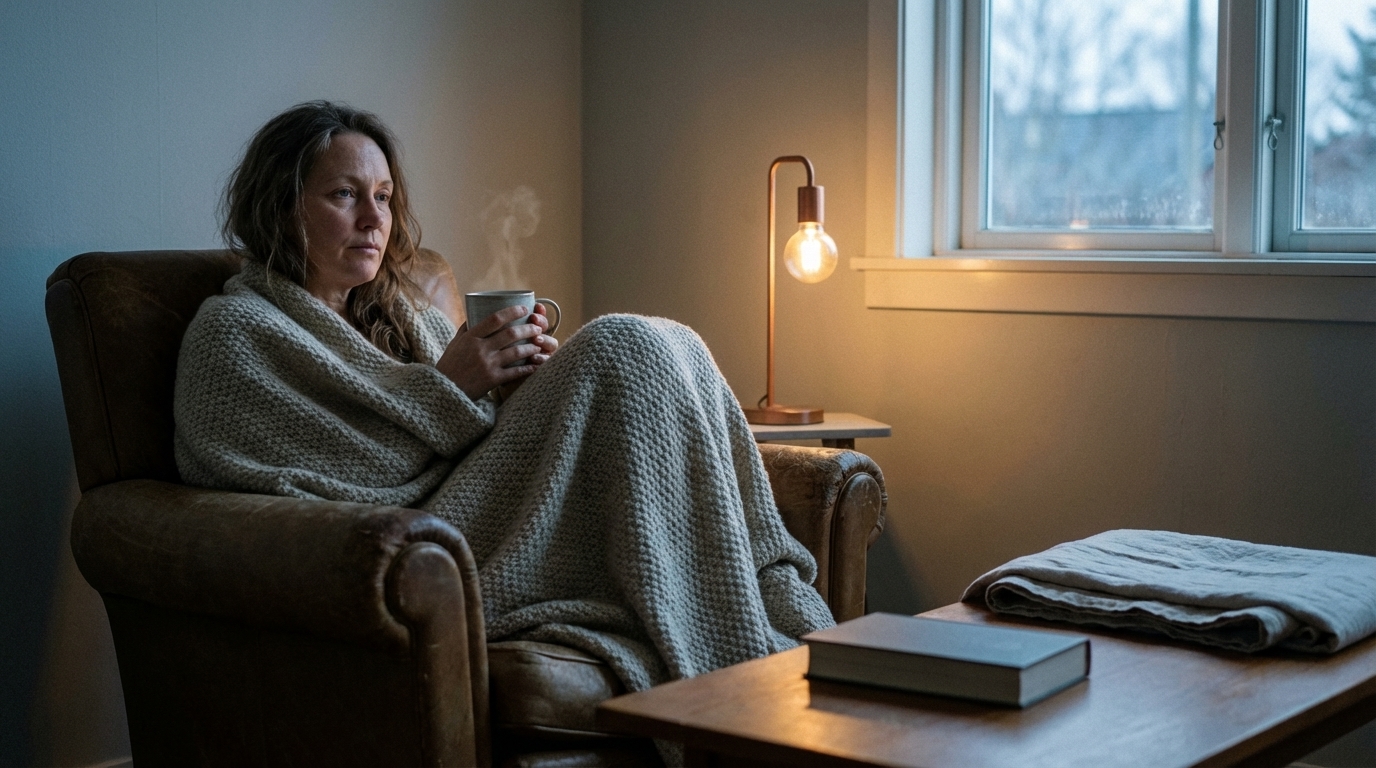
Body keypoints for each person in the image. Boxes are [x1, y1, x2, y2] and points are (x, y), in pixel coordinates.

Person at [173, 101, 833, 702]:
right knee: (622, 342)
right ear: (283, 205)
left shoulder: (408, 317)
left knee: (673, 344)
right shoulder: (234, 335)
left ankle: (767, 593)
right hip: (433, 543)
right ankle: (737, 693)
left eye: (383, 196)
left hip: (481, 506)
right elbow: (333, 479)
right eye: (345, 195)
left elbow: (474, 434)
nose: (375, 219)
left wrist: (522, 392)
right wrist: (453, 387)